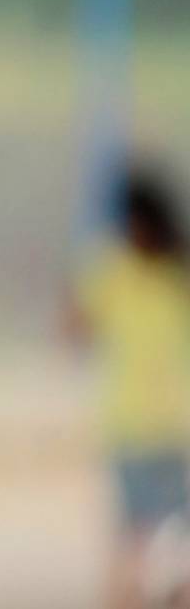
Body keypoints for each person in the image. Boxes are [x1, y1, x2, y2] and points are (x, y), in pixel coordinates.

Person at [67, 165, 190, 609]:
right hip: (148, 427)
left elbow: (74, 330)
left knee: (142, 543)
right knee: (152, 542)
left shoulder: (118, 268)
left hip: (151, 427)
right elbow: (76, 328)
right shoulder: (161, 270)